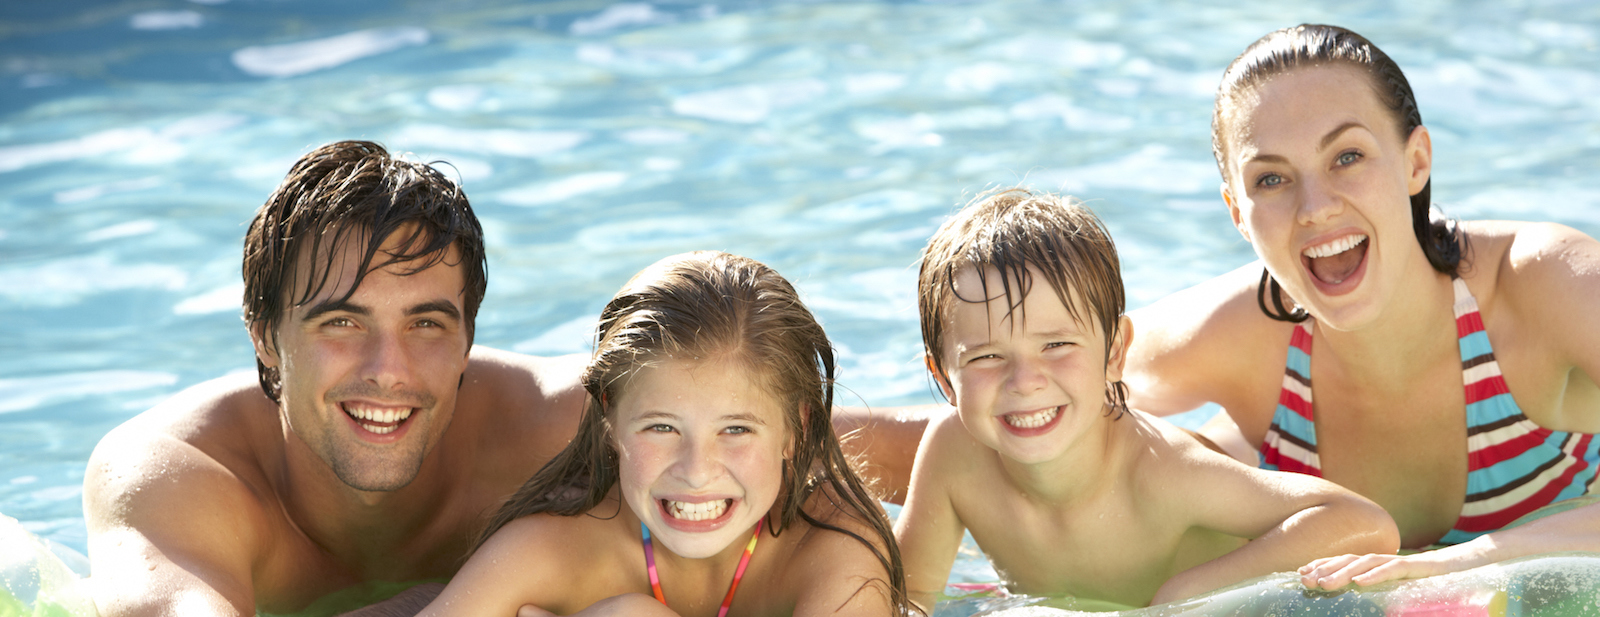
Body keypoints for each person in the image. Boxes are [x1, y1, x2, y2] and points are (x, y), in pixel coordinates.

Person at [1124, 24, 1600, 590]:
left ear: (1416, 161)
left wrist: (1449, 566)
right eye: (1271, 178)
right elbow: (1048, 374)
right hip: (1271, 452)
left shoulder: (1540, 283)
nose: (1315, 208)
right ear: (1236, 212)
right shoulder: (1234, 336)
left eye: (1347, 156)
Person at [82, 140, 587, 616]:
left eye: (426, 324)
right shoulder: (177, 472)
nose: (388, 370)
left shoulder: (572, 430)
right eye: (342, 323)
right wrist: (446, 602)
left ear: (467, 342)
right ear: (265, 337)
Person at [894, 188, 1397, 609]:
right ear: (942, 375)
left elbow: (1363, 523)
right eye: (986, 357)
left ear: (1115, 352)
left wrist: (1183, 596)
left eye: (1056, 345)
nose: (1025, 381)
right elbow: (911, 594)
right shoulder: (953, 454)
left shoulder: (1163, 472)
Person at [414, 251, 910, 616]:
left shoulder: (831, 546)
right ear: (610, 420)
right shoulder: (551, 551)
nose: (696, 471)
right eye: (662, 427)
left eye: (736, 429)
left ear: (795, 431)